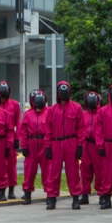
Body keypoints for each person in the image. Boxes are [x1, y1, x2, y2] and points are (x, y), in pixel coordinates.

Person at [44, 80, 84, 210]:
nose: (64, 94)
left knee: (73, 172)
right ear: (58, 94)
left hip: (71, 142)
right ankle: (51, 198)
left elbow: (81, 129)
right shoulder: (51, 110)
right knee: (53, 172)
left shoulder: (77, 108)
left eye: (66, 91)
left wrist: (80, 146)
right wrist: (48, 146)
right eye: (61, 92)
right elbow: (48, 130)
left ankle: (75, 198)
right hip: (56, 142)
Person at [19, 90, 50, 204]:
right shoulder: (28, 114)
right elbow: (23, 131)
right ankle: (27, 193)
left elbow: (51, 130)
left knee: (47, 170)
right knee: (29, 170)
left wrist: (49, 146)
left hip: (44, 142)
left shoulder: (48, 113)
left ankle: (49, 193)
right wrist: (24, 146)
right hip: (31, 143)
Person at [0, 81, 21, 200]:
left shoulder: (15, 105)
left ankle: (11, 189)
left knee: (11, 165)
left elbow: (18, 123)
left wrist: (17, 138)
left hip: (11, 137)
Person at [78, 91, 102, 204]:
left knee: (100, 170)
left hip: (97, 145)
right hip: (86, 144)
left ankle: (102, 194)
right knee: (85, 170)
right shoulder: (83, 114)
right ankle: (84, 194)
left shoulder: (101, 114)